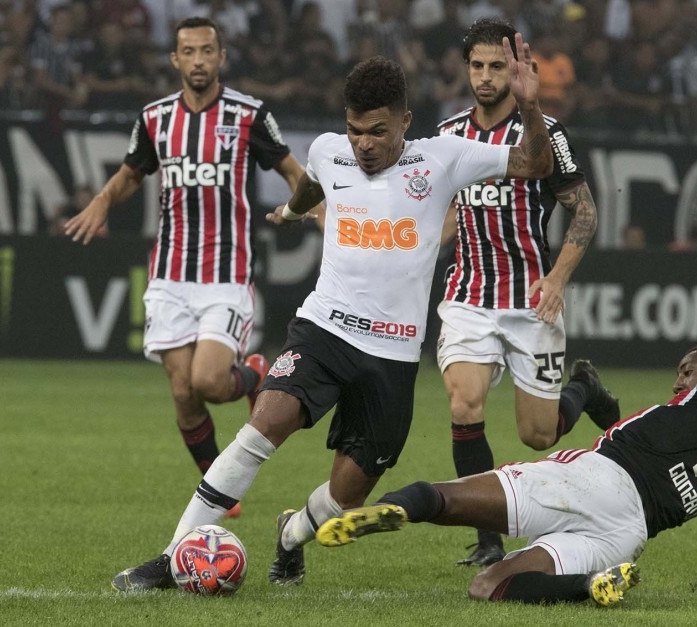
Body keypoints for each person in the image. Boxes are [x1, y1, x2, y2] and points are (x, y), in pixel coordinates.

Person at [109, 31, 555, 592]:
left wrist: (532, 106)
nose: (363, 144)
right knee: (261, 427)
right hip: (325, 329)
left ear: (404, 122)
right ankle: (172, 559)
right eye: (355, 129)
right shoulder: (327, 148)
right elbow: (312, 188)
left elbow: (536, 165)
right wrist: (293, 211)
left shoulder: (445, 158)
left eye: (378, 131)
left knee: (345, 498)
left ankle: (291, 535)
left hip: (392, 356)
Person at [315, 342, 697, 607]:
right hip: (624, 538)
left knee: (440, 497)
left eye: (685, 371)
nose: (677, 383)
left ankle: (397, 507)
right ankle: (592, 587)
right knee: (488, 587)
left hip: (592, 481)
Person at [65, 17, 306, 517]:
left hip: (225, 274)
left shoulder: (248, 115)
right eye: (188, 52)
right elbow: (133, 172)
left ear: (221, 57)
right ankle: (219, 488)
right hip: (170, 275)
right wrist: (103, 203)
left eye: (206, 51)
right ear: (175, 60)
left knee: (210, 383)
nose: (198, 60)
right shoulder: (155, 118)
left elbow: (291, 170)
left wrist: (317, 210)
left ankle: (253, 371)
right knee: (182, 390)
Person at [436, 17, 619, 567]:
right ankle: (488, 537)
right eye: (478, 66)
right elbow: (447, 213)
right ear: (466, 69)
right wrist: (412, 257)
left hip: (528, 300)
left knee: (538, 436)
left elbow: (583, 210)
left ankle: (581, 387)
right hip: (468, 295)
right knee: (464, 403)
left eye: (498, 66)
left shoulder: (546, 134)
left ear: (516, 70)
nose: (487, 77)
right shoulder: (447, 136)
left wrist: (557, 278)